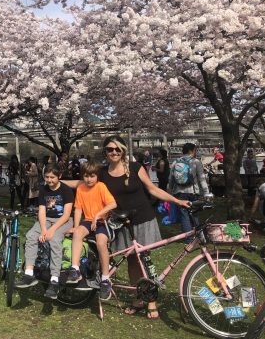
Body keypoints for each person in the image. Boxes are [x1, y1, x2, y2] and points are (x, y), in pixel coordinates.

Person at [66, 136, 190, 319]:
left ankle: (152, 301)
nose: (113, 152)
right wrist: (56, 182)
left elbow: (152, 189)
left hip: (142, 218)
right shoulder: (102, 173)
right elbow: (82, 184)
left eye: (117, 149)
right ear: (105, 152)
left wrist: (176, 200)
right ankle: (138, 299)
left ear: (123, 150)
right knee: (132, 261)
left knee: (144, 259)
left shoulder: (135, 168)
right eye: (109, 149)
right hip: (120, 221)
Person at [15, 163, 74, 299]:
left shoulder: (66, 190)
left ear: (59, 176)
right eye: (47, 177)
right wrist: (43, 230)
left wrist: (51, 230)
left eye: (52, 177)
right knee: (30, 236)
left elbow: (66, 215)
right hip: (46, 220)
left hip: (63, 220)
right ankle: (29, 273)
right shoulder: (43, 189)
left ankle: (54, 279)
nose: (49, 180)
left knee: (54, 239)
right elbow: (41, 211)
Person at [66, 162, 117, 300]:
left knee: (101, 242)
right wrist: (76, 226)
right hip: (88, 221)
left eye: (92, 176)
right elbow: (78, 209)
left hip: (102, 222)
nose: (89, 179)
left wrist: (98, 215)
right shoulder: (81, 188)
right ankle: (75, 269)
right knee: (77, 233)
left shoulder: (101, 186)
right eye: (86, 176)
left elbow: (113, 204)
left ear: (97, 176)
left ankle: (106, 279)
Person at [168, 143, 212, 239]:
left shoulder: (175, 162)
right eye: (195, 150)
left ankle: (188, 238)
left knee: (184, 215)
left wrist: (170, 192)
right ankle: (198, 235)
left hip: (179, 193)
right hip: (193, 192)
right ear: (191, 151)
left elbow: (171, 179)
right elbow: (202, 179)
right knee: (194, 213)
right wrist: (206, 193)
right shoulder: (196, 162)